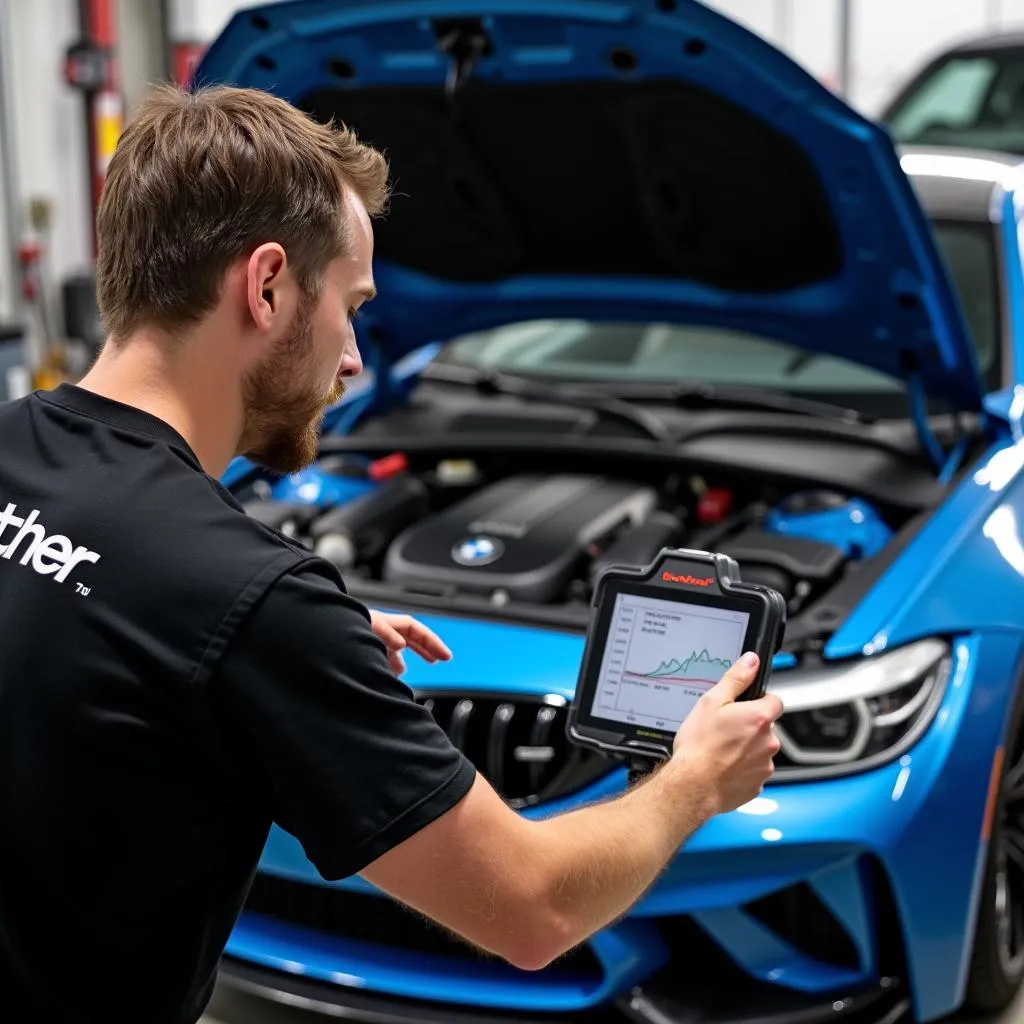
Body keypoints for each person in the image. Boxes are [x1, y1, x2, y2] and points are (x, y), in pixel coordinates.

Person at [0, 83, 783, 1024]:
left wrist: (259, 651)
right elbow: (534, 909)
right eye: (353, 306)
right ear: (267, 286)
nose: (355, 360)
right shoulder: (247, 602)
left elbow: (70, 619)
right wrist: (696, 778)